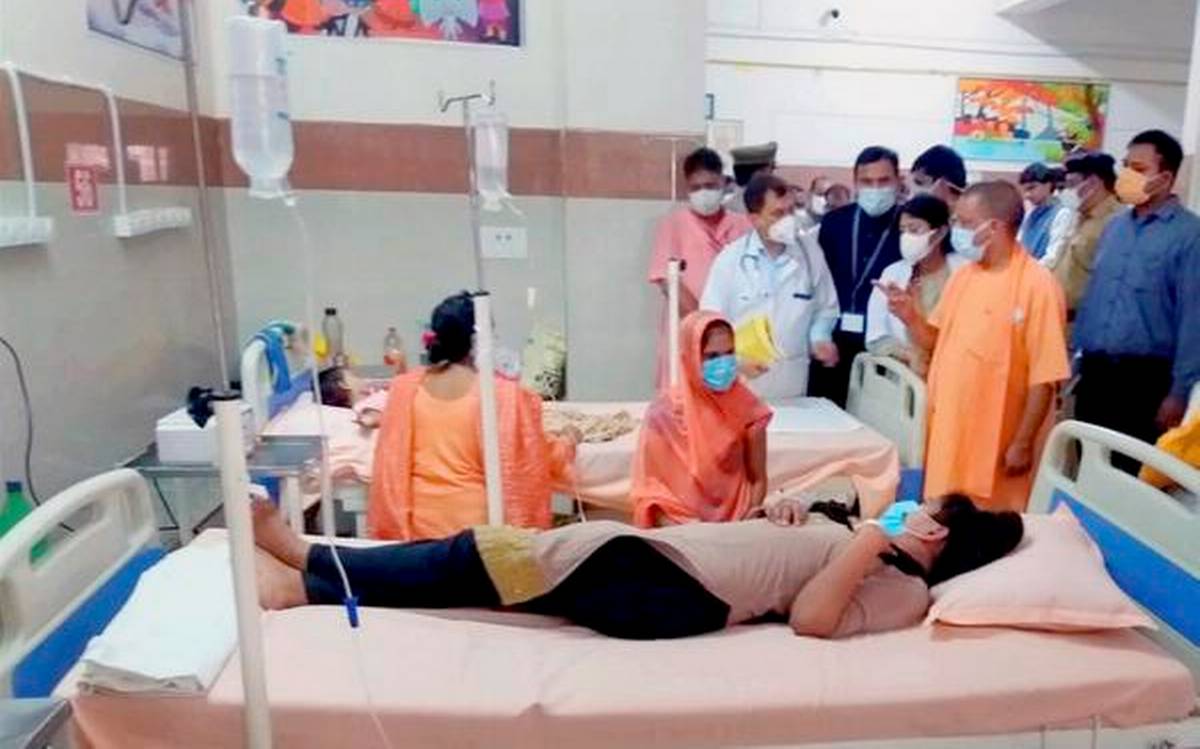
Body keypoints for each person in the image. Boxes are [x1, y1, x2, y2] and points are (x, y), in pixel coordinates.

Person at [254, 491, 1023, 640]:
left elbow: (814, 619)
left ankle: (310, 560)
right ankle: (313, 584)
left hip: (676, 590)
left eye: (929, 516)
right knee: (486, 579)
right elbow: (794, 547)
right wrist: (791, 509)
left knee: (482, 554)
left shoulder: (903, 588)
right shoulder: (867, 540)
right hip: (676, 565)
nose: (915, 515)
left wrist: (867, 542)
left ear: (940, 538)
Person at [880, 181, 1070, 511]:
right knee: (941, 517)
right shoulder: (964, 277)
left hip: (998, 442)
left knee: (988, 527)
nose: (957, 231)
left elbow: (1045, 377)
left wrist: (1023, 442)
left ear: (993, 227)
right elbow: (935, 341)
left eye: (965, 223)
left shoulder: (1037, 285)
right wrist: (909, 316)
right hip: (951, 431)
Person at [368, 292, 579, 540]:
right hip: (477, 536)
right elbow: (536, 458)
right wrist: (569, 440)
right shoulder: (501, 395)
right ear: (480, 341)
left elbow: (389, 455)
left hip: (416, 535)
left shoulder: (404, 389)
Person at [1074, 130, 1200, 464]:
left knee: (1127, 473)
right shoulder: (1115, 228)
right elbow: (1095, 296)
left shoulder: (1190, 235)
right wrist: (1076, 361)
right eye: (1126, 165)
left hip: (1145, 382)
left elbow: (1194, 320)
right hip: (1095, 373)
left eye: (1139, 169)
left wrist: (1179, 393)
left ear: (1165, 178)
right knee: (1086, 470)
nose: (1128, 174)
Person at [701, 174, 840, 400]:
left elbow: (826, 307)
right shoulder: (730, 260)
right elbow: (709, 321)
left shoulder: (810, 253)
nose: (788, 220)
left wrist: (820, 337)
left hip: (792, 379)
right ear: (754, 219)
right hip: (743, 378)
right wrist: (733, 362)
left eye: (791, 211)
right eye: (778, 213)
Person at [631, 311, 773, 527]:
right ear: (690, 357)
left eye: (729, 353)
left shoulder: (749, 409)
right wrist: (689, 534)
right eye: (712, 356)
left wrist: (743, 527)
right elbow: (652, 494)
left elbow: (758, 480)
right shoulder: (663, 415)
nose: (723, 363)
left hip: (737, 523)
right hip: (677, 528)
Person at [648, 147, 752, 390]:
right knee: (684, 396)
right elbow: (667, 281)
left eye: (710, 185)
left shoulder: (742, 225)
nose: (703, 193)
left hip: (733, 333)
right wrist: (705, 326)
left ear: (723, 183)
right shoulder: (673, 224)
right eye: (696, 188)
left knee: (730, 398)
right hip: (687, 329)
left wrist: (722, 333)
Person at [811, 146, 905, 407]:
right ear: (855, 182)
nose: (875, 189)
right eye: (867, 181)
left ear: (897, 181)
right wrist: (818, 334)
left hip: (885, 345)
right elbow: (820, 282)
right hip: (834, 341)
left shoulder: (909, 225)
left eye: (883, 181)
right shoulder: (834, 222)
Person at [865, 195, 966, 378]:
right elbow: (875, 336)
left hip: (954, 372)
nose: (906, 238)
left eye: (914, 230)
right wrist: (909, 355)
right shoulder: (893, 274)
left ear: (940, 232)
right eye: (902, 231)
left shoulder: (964, 272)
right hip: (905, 377)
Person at [1049, 151, 1122, 317]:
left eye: (1071, 185)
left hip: (1085, 318)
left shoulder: (1116, 223)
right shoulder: (1080, 216)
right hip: (1061, 314)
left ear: (1093, 183)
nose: (1066, 192)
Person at [1017, 163, 1076, 266]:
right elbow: (1019, 243)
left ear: (1048, 185)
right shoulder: (1030, 214)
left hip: (1042, 272)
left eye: (1031, 188)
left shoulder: (1062, 214)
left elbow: (1053, 257)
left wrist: (1029, 271)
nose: (1027, 195)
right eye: (1025, 190)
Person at [727, 141, 778, 213]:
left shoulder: (728, 206)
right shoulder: (766, 207)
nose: (773, 175)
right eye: (772, 169)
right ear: (759, 174)